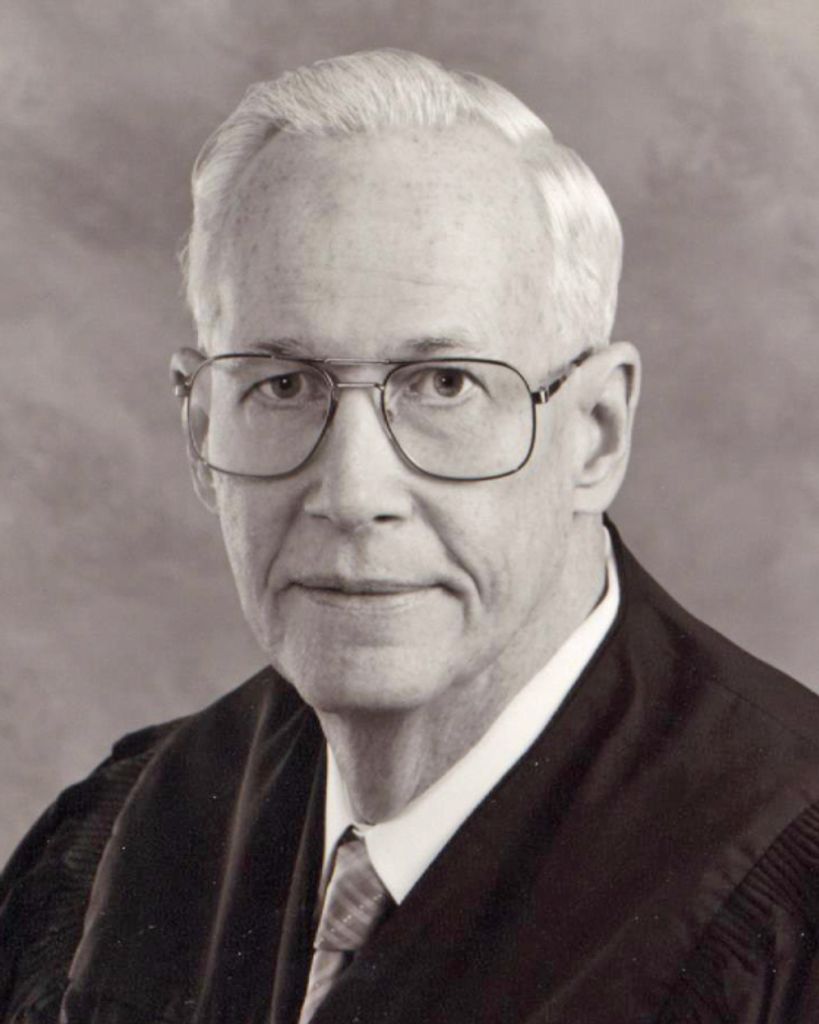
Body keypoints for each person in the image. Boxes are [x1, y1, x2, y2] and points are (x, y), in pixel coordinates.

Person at [1, 48, 818, 1024]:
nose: (352, 493)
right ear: (202, 431)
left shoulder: (789, 909)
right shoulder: (116, 847)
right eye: (283, 384)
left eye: (445, 385)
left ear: (596, 433)